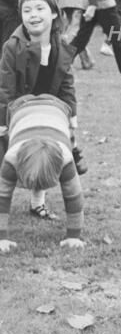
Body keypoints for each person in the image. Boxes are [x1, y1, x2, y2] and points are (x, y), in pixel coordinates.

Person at [0, 0, 86, 221]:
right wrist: (2, 120)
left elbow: (67, 83)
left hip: (50, 113)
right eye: (27, 10)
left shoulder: (61, 45)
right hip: (19, 113)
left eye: (40, 8)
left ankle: (37, 203)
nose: (33, 15)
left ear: (55, 14)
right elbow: (5, 86)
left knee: (44, 151)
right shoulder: (12, 46)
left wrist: (72, 114)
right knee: (8, 157)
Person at [0, 94, 85, 252]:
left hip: (58, 108)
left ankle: (37, 199)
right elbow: (2, 197)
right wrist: (1, 238)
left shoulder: (66, 158)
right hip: (20, 109)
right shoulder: (11, 158)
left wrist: (74, 236)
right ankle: (37, 200)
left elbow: (74, 197)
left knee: (60, 179)